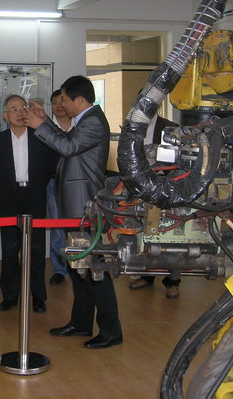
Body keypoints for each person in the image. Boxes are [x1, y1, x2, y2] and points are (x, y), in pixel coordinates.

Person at [25, 75, 123, 349]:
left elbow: (67, 147)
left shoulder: (93, 121)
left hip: (85, 207)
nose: (62, 104)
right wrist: (45, 121)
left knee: (95, 270)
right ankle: (81, 322)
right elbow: (68, 141)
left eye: (64, 99)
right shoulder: (86, 119)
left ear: (79, 100)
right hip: (76, 207)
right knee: (80, 268)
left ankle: (111, 330)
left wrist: (39, 126)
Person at [0, 95, 56, 314]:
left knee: (36, 248)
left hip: (34, 195)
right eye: (13, 109)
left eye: (22, 108)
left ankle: (38, 296)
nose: (19, 112)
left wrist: (35, 184)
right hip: (9, 197)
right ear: (5, 116)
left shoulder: (39, 137)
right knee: (9, 248)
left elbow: (50, 165)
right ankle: (10, 296)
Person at [128, 112, 181, 298]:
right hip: (142, 187)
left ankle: (172, 281)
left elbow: (178, 160)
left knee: (172, 234)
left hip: (166, 187)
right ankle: (146, 275)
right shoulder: (133, 127)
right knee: (145, 231)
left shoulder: (171, 127)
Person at [47, 89, 72, 286]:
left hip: (74, 183)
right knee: (56, 226)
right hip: (53, 182)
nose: (58, 105)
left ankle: (76, 265)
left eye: (61, 101)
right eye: (54, 102)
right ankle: (59, 269)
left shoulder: (79, 126)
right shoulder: (46, 127)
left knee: (76, 225)